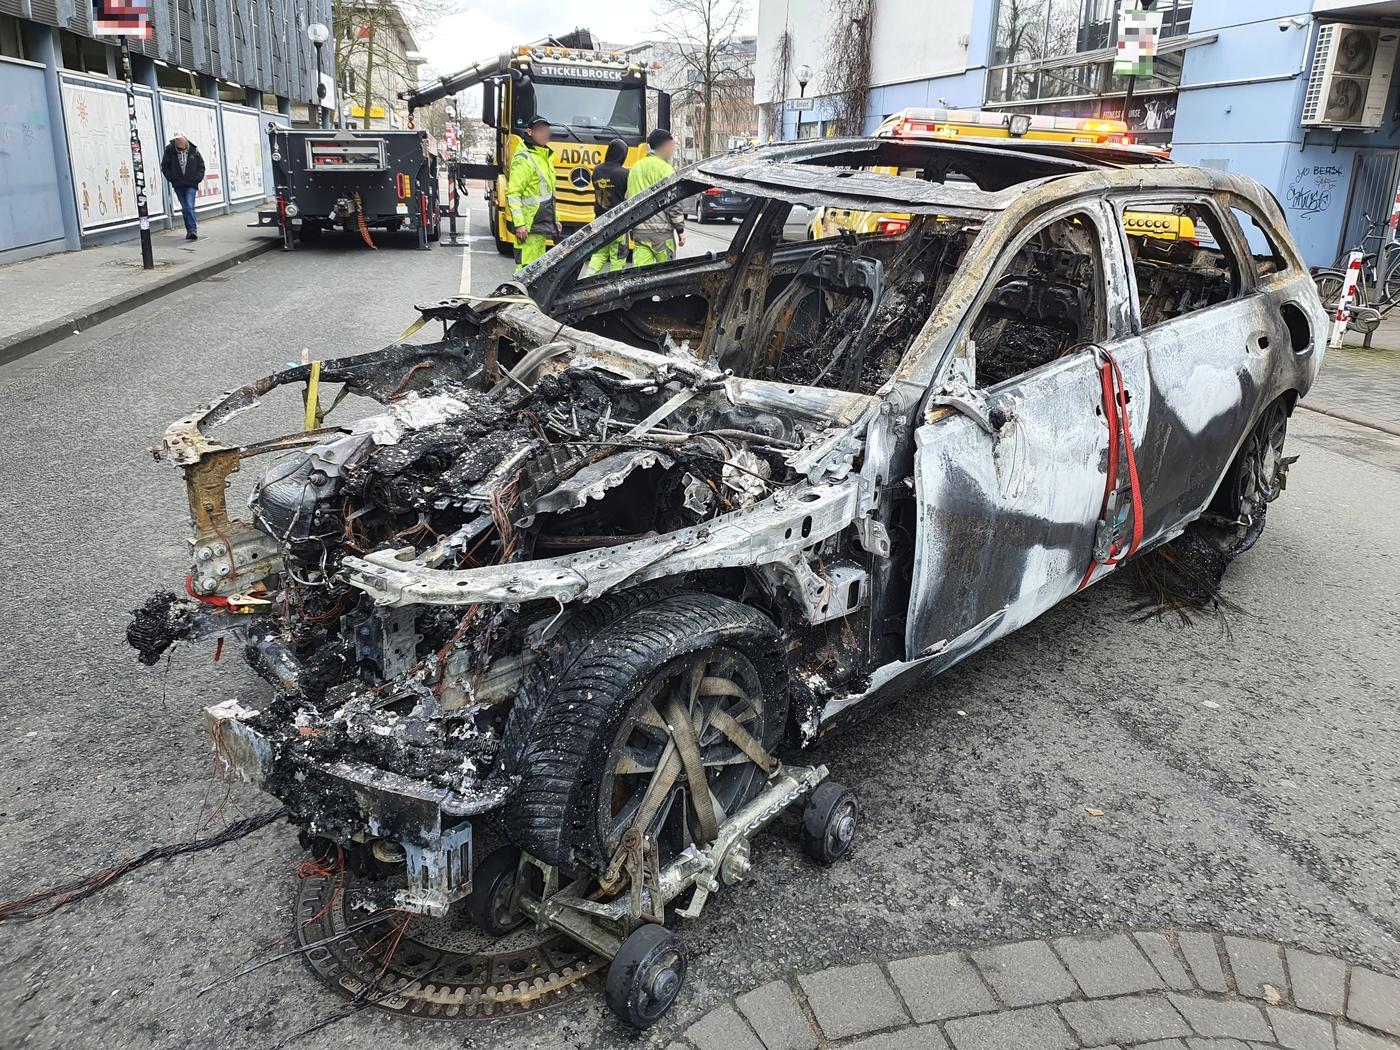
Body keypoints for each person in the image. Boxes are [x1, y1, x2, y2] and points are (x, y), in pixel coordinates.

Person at [507, 115, 560, 270]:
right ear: (529, 132)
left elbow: (549, 194)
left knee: (535, 271)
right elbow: (513, 192)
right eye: (540, 130)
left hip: (540, 225)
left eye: (546, 130)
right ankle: (517, 294)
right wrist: (520, 224)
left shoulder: (544, 157)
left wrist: (555, 218)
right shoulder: (525, 158)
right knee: (525, 270)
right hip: (529, 225)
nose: (544, 134)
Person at [626, 128, 686, 266]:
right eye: (672, 145)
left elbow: (628, 199)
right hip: (661, 233)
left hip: (639, 232)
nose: (673, 149)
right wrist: (680, 230)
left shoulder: (635, 168)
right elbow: (673, 203)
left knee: (640, 277)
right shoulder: (665, 169)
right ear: (665, 146)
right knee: (665, 276)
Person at [583, 138, 631, 276]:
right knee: (617, 258)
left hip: (599, 222)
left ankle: (587, 279)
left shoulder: (597, 171)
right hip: (618, 223)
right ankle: (614, 288)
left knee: (598, 255)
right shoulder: (624, 174)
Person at [160, 132, 206, 241]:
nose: (179, 142)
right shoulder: (170, 151)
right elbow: (165, 166)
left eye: (180, 139)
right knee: (185, 208)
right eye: (177, 140)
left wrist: (196, 178)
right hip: (178, 184)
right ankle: (189, 230)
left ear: (185, 139)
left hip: (191, 183)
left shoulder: (194, 151)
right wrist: (172, 178)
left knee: (189, 206)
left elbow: (201, 167)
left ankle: (192, 230)